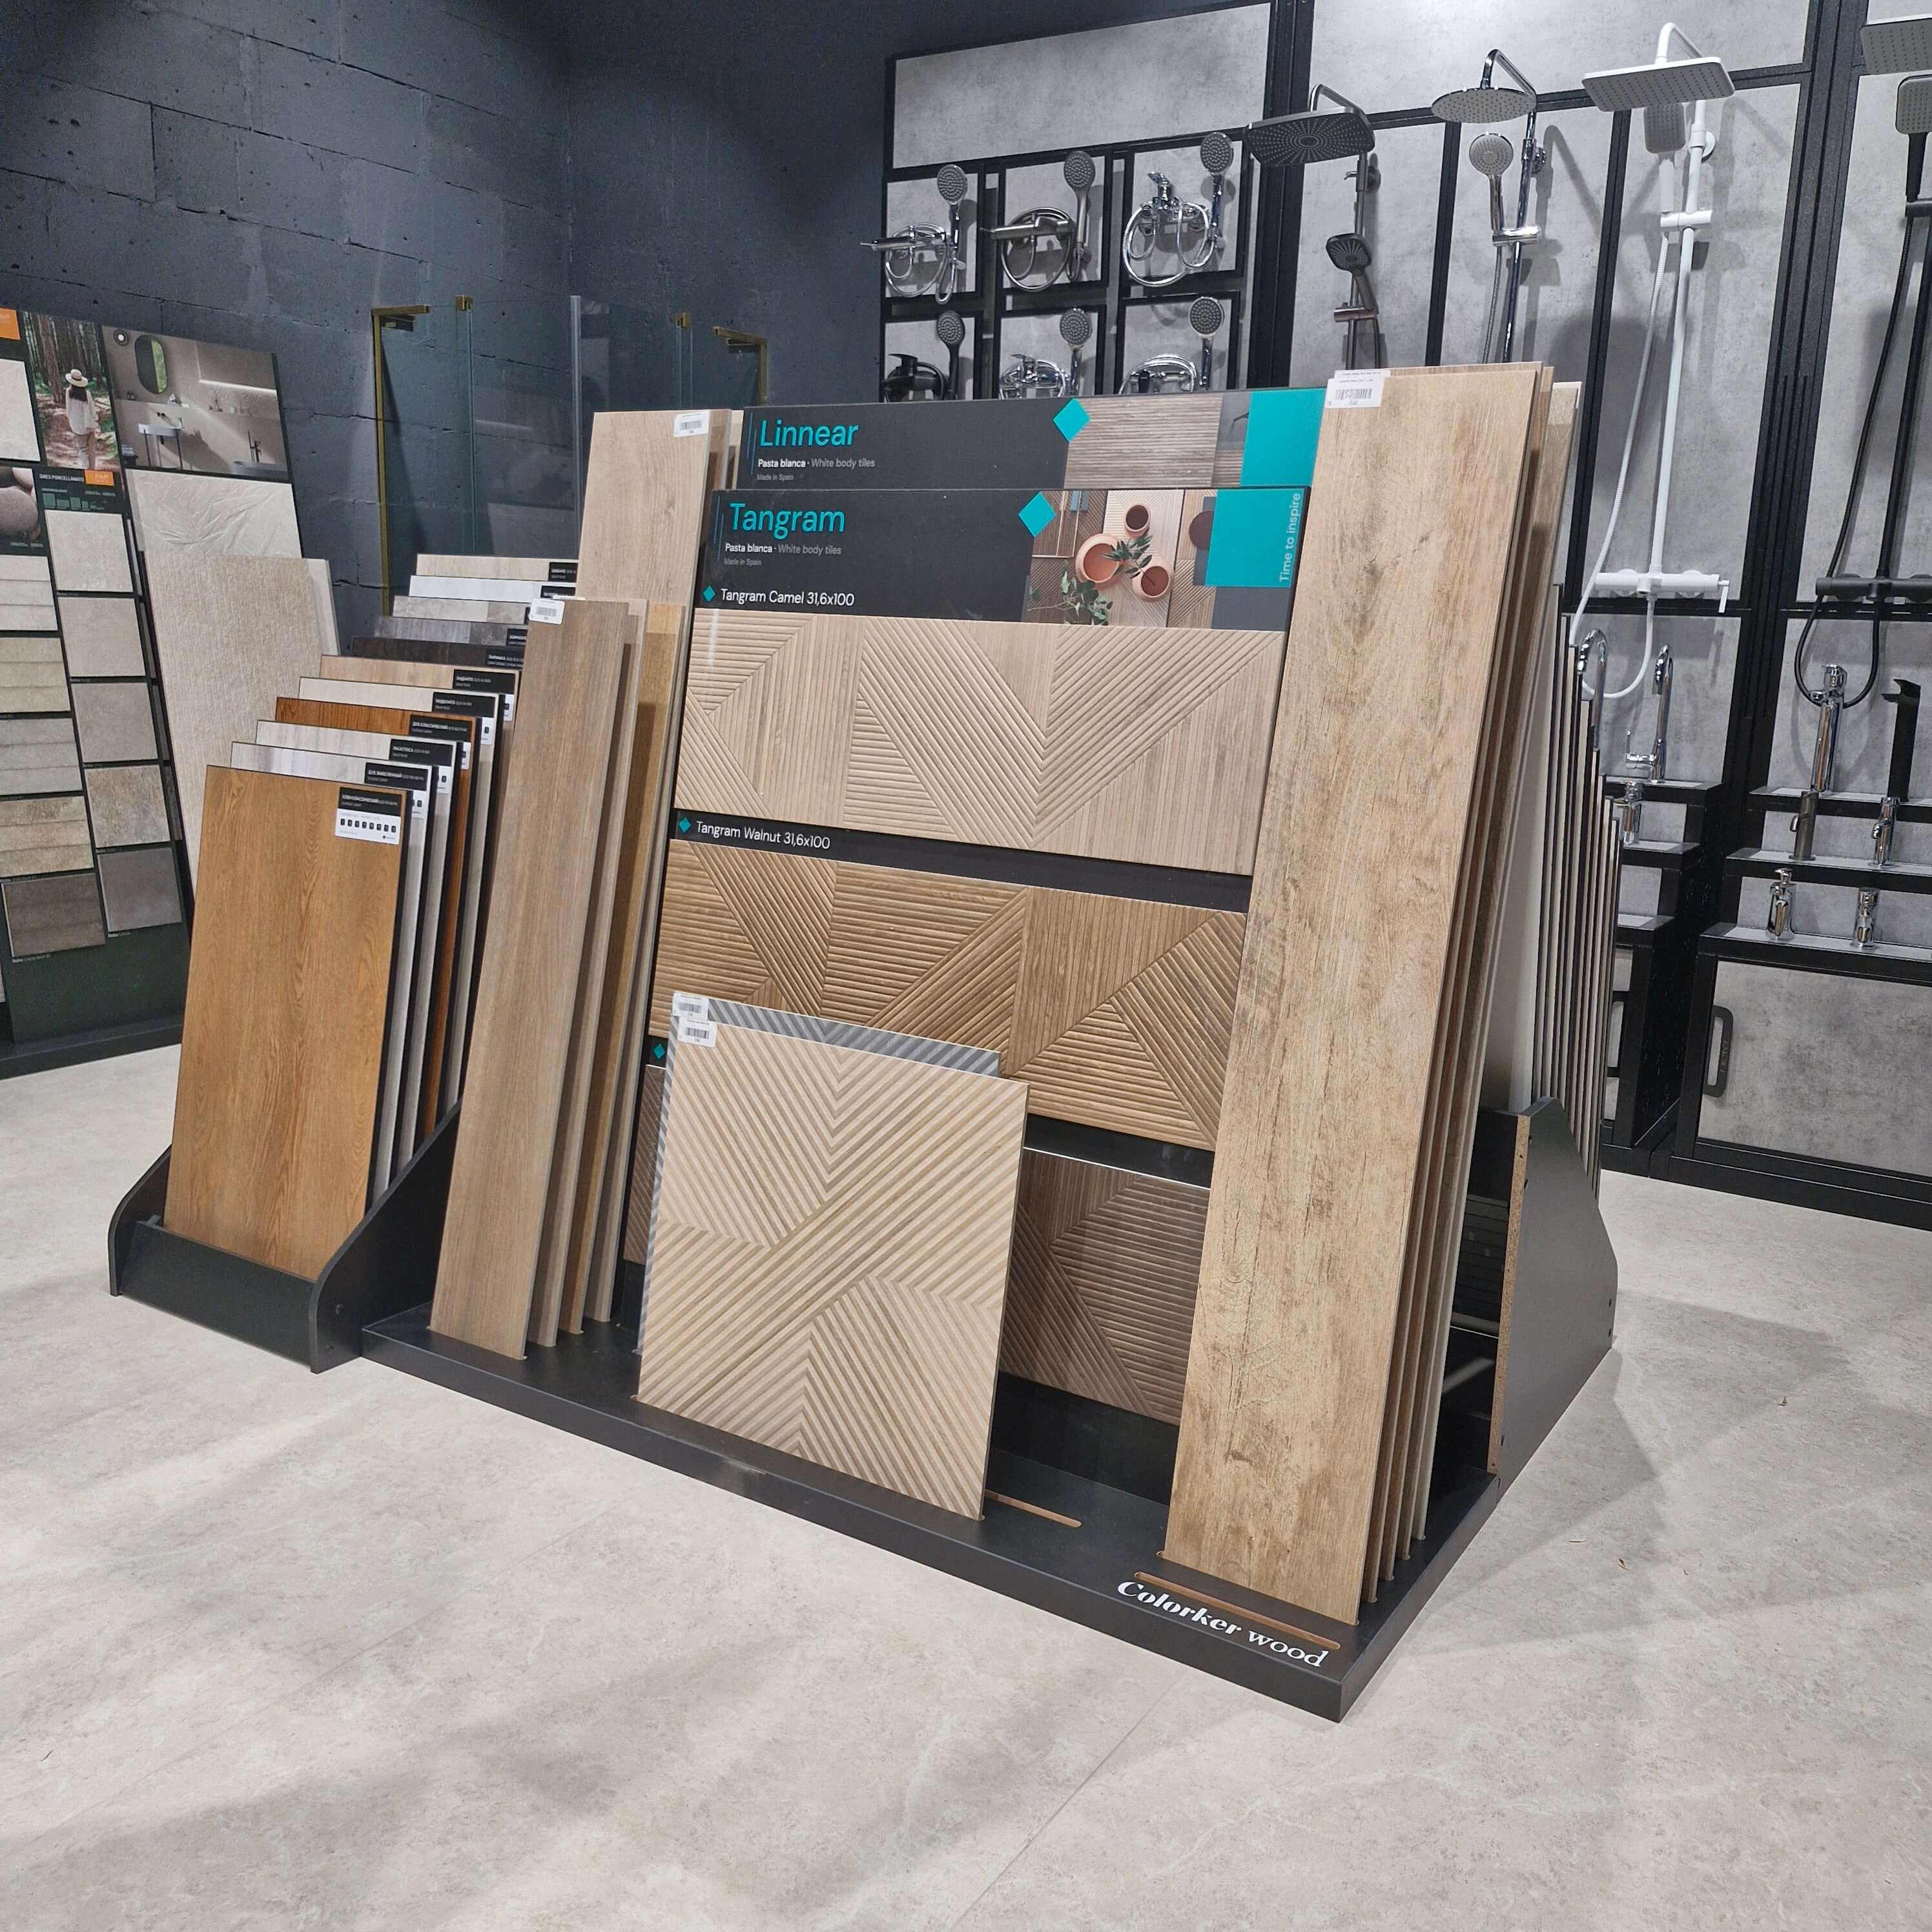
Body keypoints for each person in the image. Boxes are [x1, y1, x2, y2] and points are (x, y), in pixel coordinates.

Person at [64, 367, 92, 455]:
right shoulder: (87, 394)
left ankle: (84, 462)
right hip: (88, 424)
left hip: (76, 424)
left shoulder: (69, 392)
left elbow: (68, 409)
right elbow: (91, 409)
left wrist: (69, 419)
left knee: (82, 447)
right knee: (89, 446)